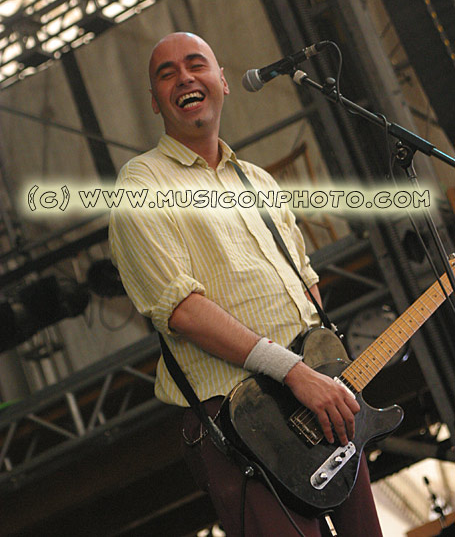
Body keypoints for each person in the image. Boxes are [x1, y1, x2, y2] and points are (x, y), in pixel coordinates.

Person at [109, 32, 383, 536]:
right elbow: (182, 311)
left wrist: (320, 370)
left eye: (196, 64)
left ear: (222, 81)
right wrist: (294, 372)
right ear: (154, 101)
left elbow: (306, 286)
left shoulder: (258, 180)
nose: (184, 77)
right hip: (240, 423)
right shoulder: (141, 184)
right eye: (167, 74)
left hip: (319, 402)